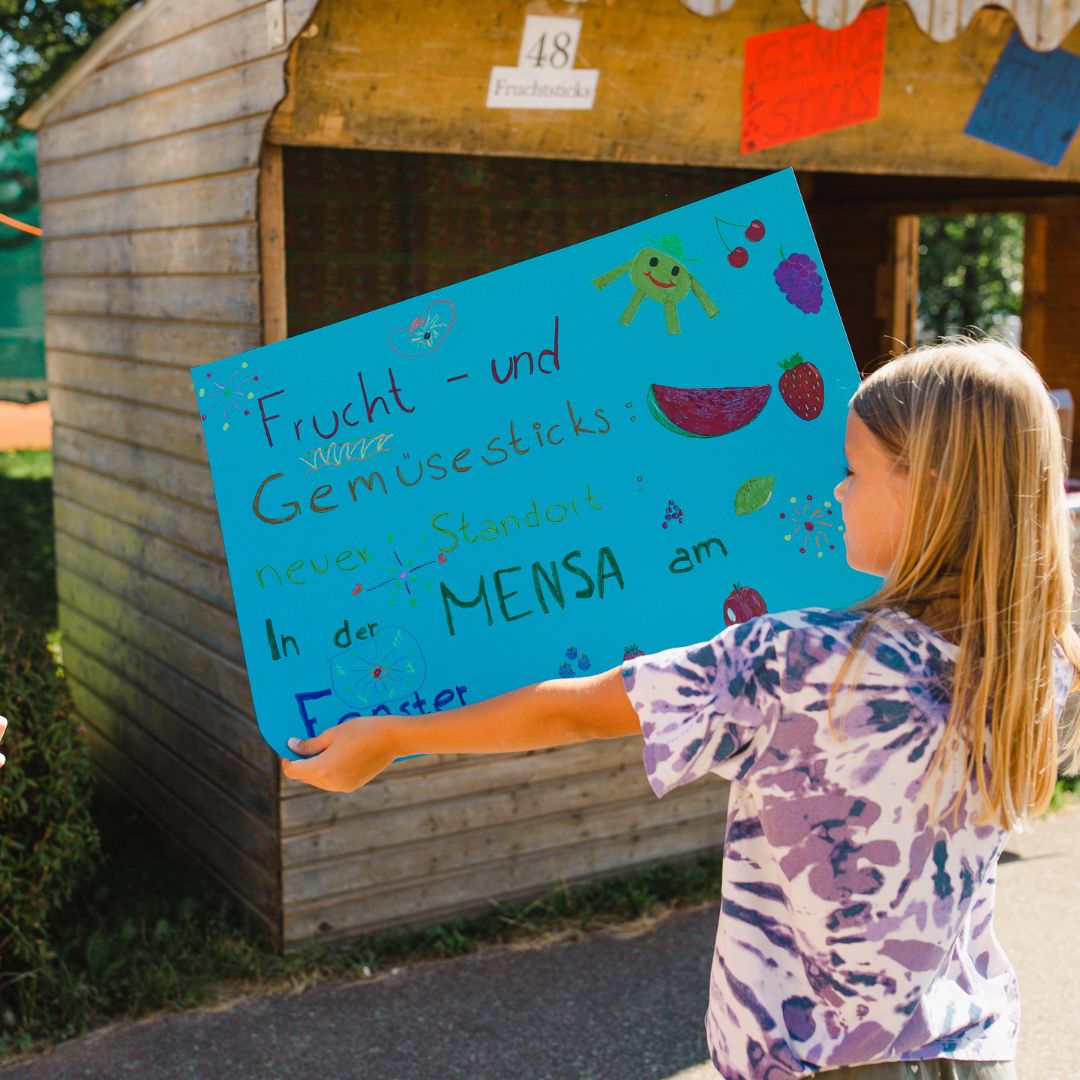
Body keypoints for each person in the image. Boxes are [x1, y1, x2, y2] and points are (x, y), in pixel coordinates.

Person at [283, 338, 1080, 1080]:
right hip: (970, 1049)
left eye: (855, 470)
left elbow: (576, 712)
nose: (837, 490)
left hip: (827, 1062)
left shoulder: (799, 662)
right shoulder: (1040, 664)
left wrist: (394, 735)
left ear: (931, 489)